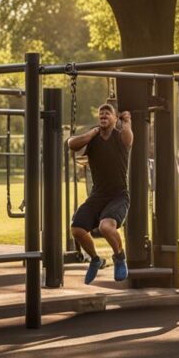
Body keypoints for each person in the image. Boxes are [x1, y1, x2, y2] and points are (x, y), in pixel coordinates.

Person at [67, 104, 133, 284]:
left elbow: (129, 139)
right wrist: (91, 134)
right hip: (97, 195)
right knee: (77, 229)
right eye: (101, 113)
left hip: (118, 195)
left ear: (114, 118)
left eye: (108, 113)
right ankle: (96, 260)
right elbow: (71, 144)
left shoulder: (120, 137)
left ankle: (119, 257)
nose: (104, 115)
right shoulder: (93, 138)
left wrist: (126, 122)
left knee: (106, 227)